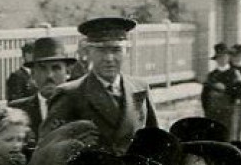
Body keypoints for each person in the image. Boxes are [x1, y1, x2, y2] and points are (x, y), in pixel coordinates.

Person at [41, 16, 161, 153]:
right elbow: (47, 148)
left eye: (116, 50)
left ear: (126, 52)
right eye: (101, 50)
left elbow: (155, 141)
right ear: (88, 53)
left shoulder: (140, 88)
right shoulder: (70, 94)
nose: (109, 58)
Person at [9, 36, 78, 145]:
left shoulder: (81, 108)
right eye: (42, 68)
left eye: (56, 68)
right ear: (32, 74)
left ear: (67, 73)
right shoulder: (17, 110)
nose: (49, 75)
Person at [199, 43, 240, 140]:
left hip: (227, 112)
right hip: (212, 112)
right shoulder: (211, 75)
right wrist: (206, 110)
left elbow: (238, 91)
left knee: (227, 136)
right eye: (219, 57)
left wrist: (225, 89)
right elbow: (205, 95)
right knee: (213, 136)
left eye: (224, 57)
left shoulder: (234, 74)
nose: (222, 60)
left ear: (228, 57)